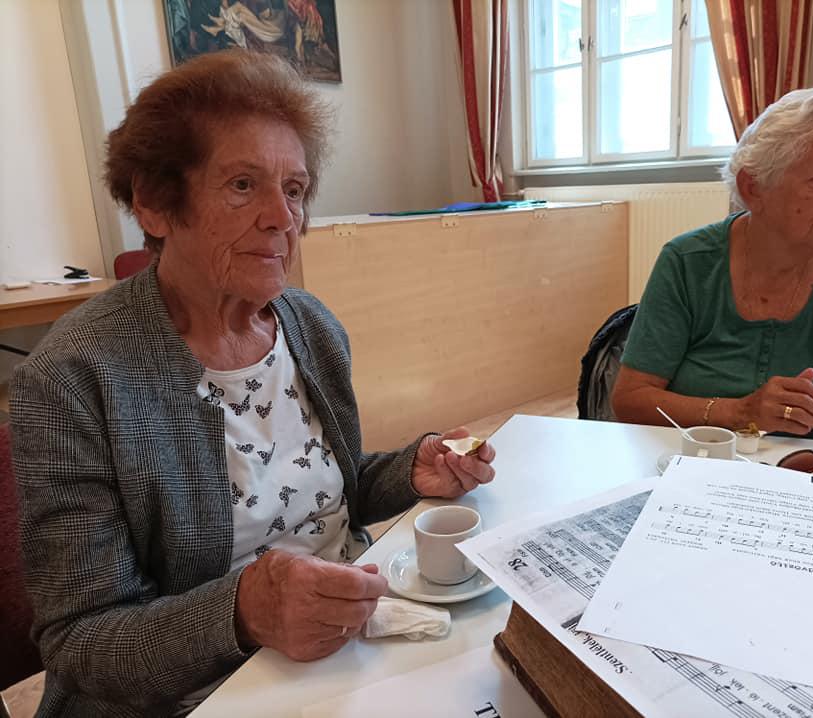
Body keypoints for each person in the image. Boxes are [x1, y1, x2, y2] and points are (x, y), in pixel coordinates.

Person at [10, 50, 495, 717]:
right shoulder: (73, 377)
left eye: (294, 189)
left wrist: (410, 472)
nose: (282, 218)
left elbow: (330, 489)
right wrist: (242, 612)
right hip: (200, 695)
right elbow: (82, 642)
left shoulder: (310, 325)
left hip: (347, 649)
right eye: (243, 184)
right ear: (154, 203)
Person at [611, 87, 813, 444]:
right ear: (753, 187)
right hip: (699, 463)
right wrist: (741, 413)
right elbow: (631, 400)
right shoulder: (687, 262)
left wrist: (807, 473)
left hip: (811, 471)